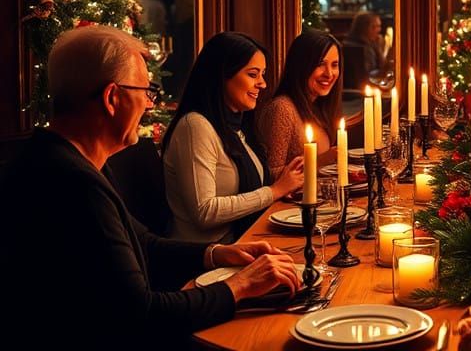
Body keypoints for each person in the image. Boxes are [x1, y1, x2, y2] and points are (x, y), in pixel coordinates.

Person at [0, 26, 301, 349]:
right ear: (112, 98)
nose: (148, 104)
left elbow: (144, 243)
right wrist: (240, 286)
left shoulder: (68, 159)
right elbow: (142, 314)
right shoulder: (71, 183)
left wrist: (216, 254)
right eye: (146, 91)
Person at [163, 32, 303, 243]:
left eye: (262, 74)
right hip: (204, 259)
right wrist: (274, 191)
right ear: (222, 75)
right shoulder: (195, 126)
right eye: (253, 74)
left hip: (241, 243)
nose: (263, 84)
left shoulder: (235, 126)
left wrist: (284, 186)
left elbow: (248, 188)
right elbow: (204, 211)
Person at [257, 31, 342, 179]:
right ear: (301, 65)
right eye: (320, 64)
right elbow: (269, 175)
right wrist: (319, 161)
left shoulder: (318, 106)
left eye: (334, 65)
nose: (329, 73)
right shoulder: (282, 109)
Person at [342, 11, 386, 91]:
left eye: (379, 26)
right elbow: (374, 76)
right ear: (363, 28)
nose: (378, 30)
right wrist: (378, 48)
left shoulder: (346, 43)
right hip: (362, 92)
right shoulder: (364, 49)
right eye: (374, 27)